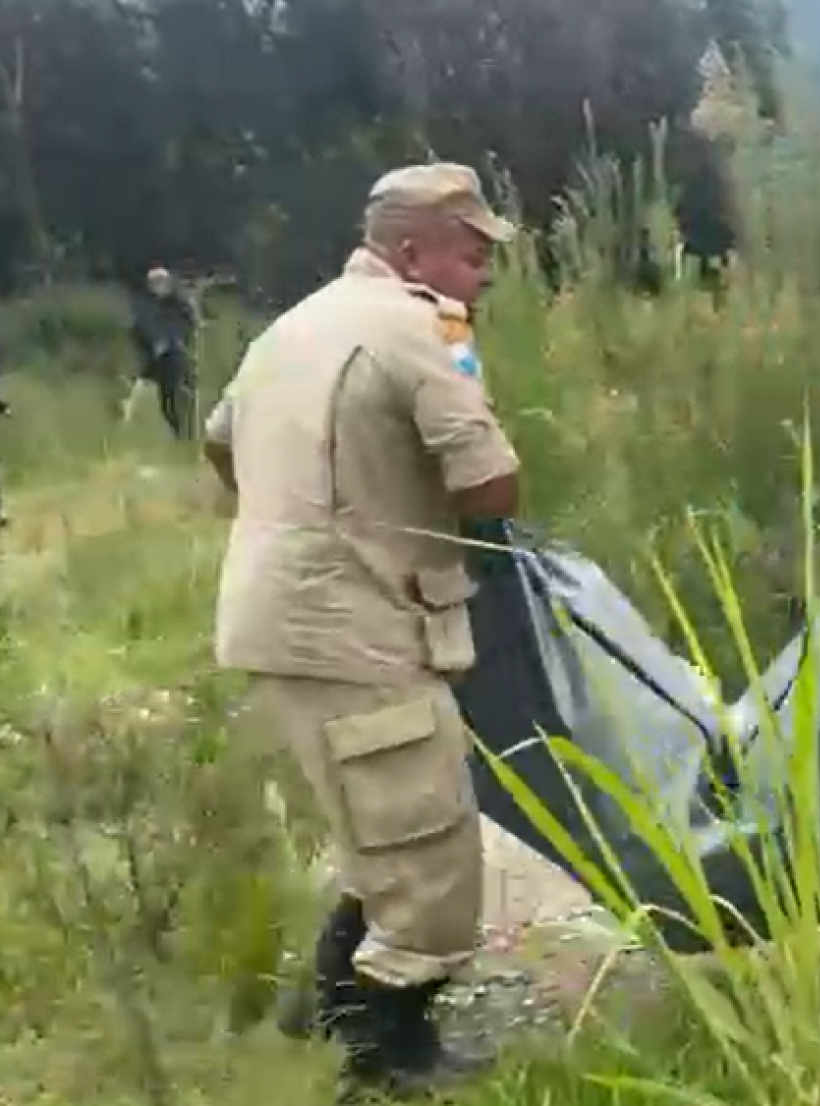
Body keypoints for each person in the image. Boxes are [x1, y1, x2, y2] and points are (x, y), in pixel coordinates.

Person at [201, 161, 521, 1102]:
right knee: (427, 839)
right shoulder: (417, 327)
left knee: (372, 822)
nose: (484, 272)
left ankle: (329, 1010)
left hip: (282, 612)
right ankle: (388, 1056)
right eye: (472, 253)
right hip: (351, 620)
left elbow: (221, 440)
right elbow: (492, 485)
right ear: (412, 250)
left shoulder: (290, 325)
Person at [130, 266, 199, 439]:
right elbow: (138, 329)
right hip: (154, 358)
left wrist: (175, 340)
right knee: (152, 397)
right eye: (153, 283)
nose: (157, 286)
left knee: (175, 399)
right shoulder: (146, 305)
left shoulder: (180, 304)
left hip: (176, 356)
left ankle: (183, 434)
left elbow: (190, 326)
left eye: (160, 282)